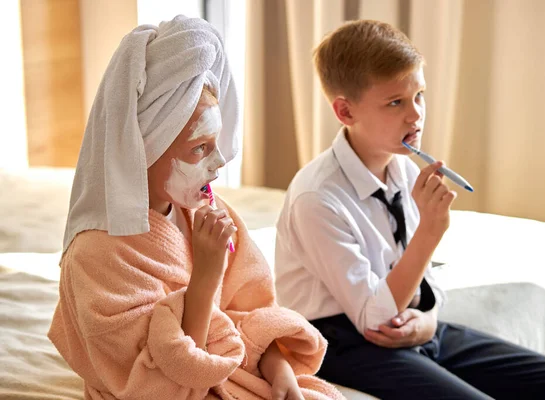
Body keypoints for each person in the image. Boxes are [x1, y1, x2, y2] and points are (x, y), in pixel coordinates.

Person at [274, 19, 545, 400]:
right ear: (345, 112)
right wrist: (431, 230)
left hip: (401, 321)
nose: (416, 115)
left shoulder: (404, 168)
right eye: (396, 102)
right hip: (342, 341)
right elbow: (373, 319)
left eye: (419, 95)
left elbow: (423, 277)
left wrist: (429, 318)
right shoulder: (317, 197)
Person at [48, 15, 344, 400]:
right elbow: (155, 386)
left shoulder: (207, 212)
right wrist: (205, 276)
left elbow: (249, 313)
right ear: (143, 149)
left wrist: (278, 367)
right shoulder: (96, 257)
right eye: (199, 148)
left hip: (233, 374)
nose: (219, 161)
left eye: (216, 143)